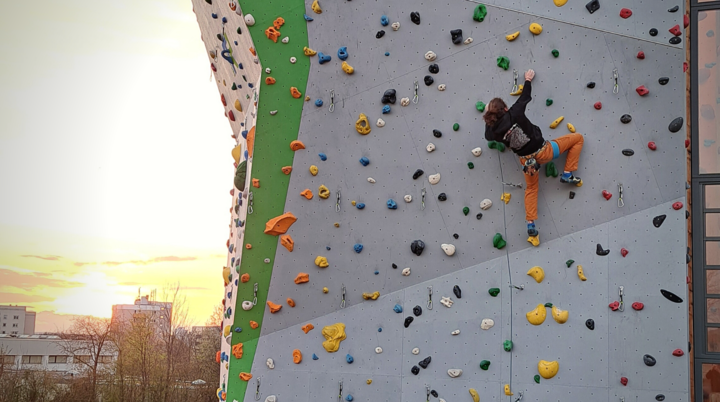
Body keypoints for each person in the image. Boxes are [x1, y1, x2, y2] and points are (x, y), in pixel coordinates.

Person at [484, 69, 584, 240]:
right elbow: (525, 97)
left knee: (531, 189)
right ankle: (567, 173)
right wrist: (528, 80)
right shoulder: (514, 112)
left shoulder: (493, 132)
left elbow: (487, 136)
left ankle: (531, 223)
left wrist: (488, 117)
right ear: (506, 108)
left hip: (527, 162)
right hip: (544, 151)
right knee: (577, 139)